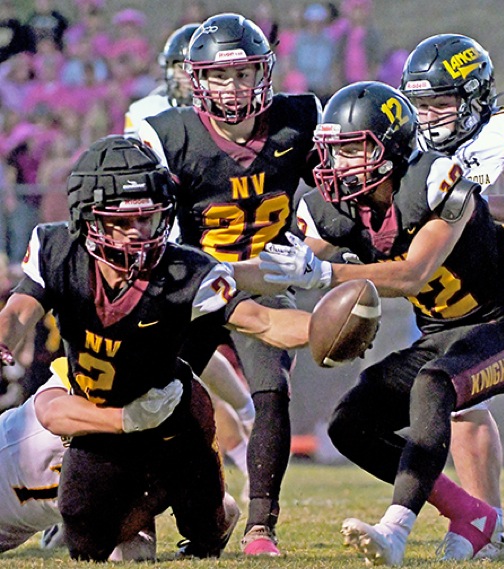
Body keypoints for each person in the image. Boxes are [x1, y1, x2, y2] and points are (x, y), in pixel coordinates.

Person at [258, 81, 504, 565]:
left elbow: (414, 274)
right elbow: (278, 264)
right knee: (350, 424)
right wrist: (214, 275)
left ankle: (396, 528)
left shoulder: (434, 182)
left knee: (434, 384)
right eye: (335, 151)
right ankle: (472, 514)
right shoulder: (336, 207)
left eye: (353, 150)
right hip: (440, 338)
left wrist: (326, 273)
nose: (339, 164)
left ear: (389, 149)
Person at [0, 134, 310, 561]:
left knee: (152, 505)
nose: (139, 233)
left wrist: (325, 326)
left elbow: (262, 321)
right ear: (88, 218)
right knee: (84, 530)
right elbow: (19, 322)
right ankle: (123, 515)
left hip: (147, 421)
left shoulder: (182, 272)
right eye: (124, 221)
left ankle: (151, 512)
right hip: (79, 415)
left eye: (148, 218)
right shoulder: (59, 253)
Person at [138, 12, 321, 556]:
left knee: (271, 391)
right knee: (153, 392)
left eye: (243, 74)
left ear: (264, 73)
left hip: (263, 282)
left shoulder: (299, 119)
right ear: (197, 79)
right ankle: (136, 513)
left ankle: (261, 525)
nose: (234, 87)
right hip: (195, 287)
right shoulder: (170, 134)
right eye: (220, 76)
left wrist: (324, 249)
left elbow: (336, 196)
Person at [400, 33, 504, 558]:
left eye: (441, 102)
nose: (429, 116)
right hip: (482, 296)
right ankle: (487, 528)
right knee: (460, 402)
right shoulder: (415, 150)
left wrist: (474, 205)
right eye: (421, 105)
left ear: (474, 96)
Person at [126, 22, 255, 497]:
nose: (185, 76)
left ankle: (244, 424)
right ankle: (243, 422)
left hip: (206, 243)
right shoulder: (149, 113)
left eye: (191, 67)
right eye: (179, 67)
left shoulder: (224, 115)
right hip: (160, 237)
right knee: (170, 355)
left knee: (181, 352)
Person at [0, 362, 174, 560]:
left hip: (19, 524)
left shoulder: (162, 448)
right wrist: (124, 419)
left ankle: (67, 523)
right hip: (10, 466)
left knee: (137, 552)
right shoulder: (94, 366)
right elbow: (50, 414)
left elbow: (117, 546)